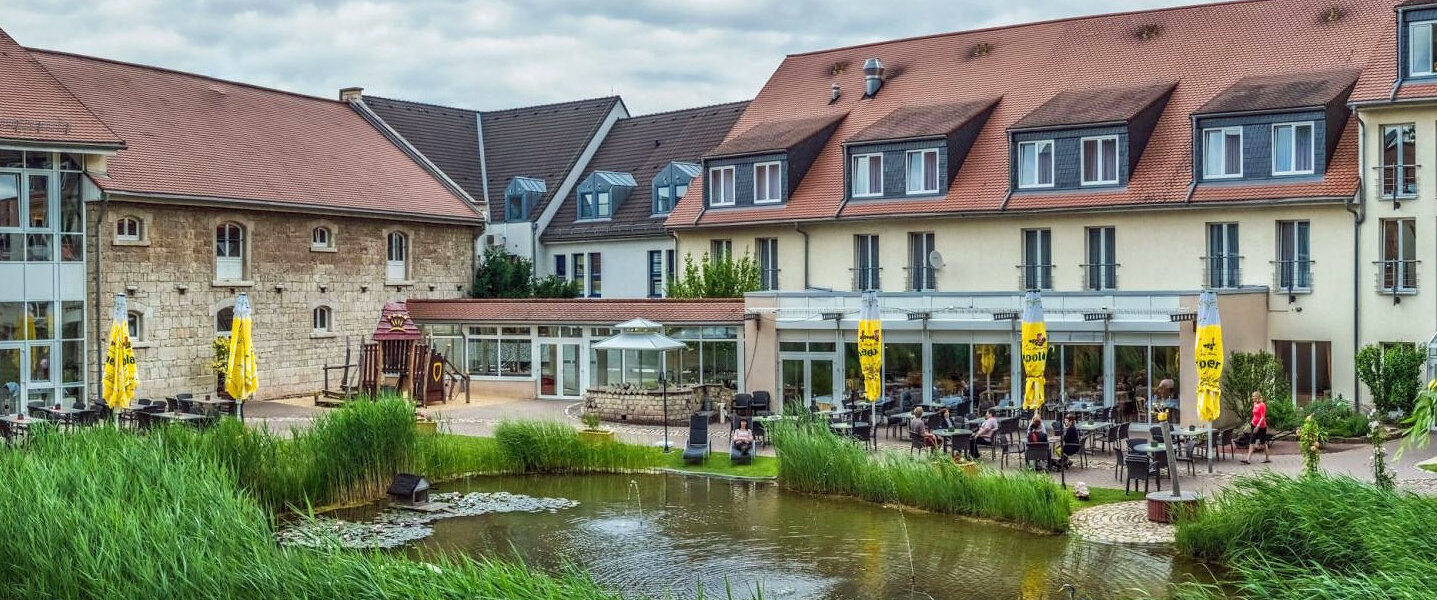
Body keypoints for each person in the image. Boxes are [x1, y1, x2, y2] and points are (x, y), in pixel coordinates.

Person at [1242, 391, 1270, 464]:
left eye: (1253, 396)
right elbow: (1254, 415)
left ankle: (1267, 458)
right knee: (1252, 441)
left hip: (1261, 426)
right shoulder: (1255, 404)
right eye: (1252, 396)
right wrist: (1251, 423)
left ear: (1257, 397)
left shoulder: (1262, 405)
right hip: (1254, 425)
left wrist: (1258, 426)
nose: (1252, 398)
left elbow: (1262, 417)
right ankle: (1248, 459)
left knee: (1263, 443)